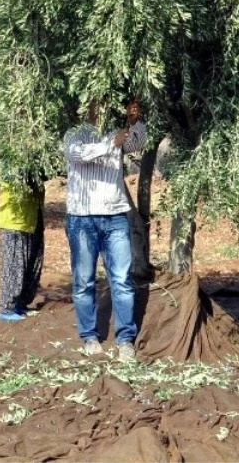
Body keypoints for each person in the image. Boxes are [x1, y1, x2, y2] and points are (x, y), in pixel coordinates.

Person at [62, 98, 146, 361]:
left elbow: (137, 143)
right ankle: (89, 337)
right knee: (83, 280)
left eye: (102, 102)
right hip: (82, 218)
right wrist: (111, 143)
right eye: (93, 103)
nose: (98, 107)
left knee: (121, 279)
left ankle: (125, 341)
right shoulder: (74, 134)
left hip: (115, 216)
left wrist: (134, 121)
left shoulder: (116, 131)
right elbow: (79, 155)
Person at [0, 170, 45, 322]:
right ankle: (7, 309)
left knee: (31, 264)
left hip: (33, 217)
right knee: (14, 265)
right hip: (15, 219)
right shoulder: (10, 157)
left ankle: (20, 304)